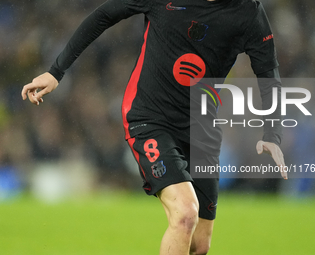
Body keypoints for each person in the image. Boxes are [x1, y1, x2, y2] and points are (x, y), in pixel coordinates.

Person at [21, 0, 287, 254]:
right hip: (149, 118)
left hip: (202, 130)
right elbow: (104, 15)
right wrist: (56, 71)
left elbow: (268, 73)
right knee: (185, 214)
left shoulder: (248, 13)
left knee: (200, 244)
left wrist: (272, 134)